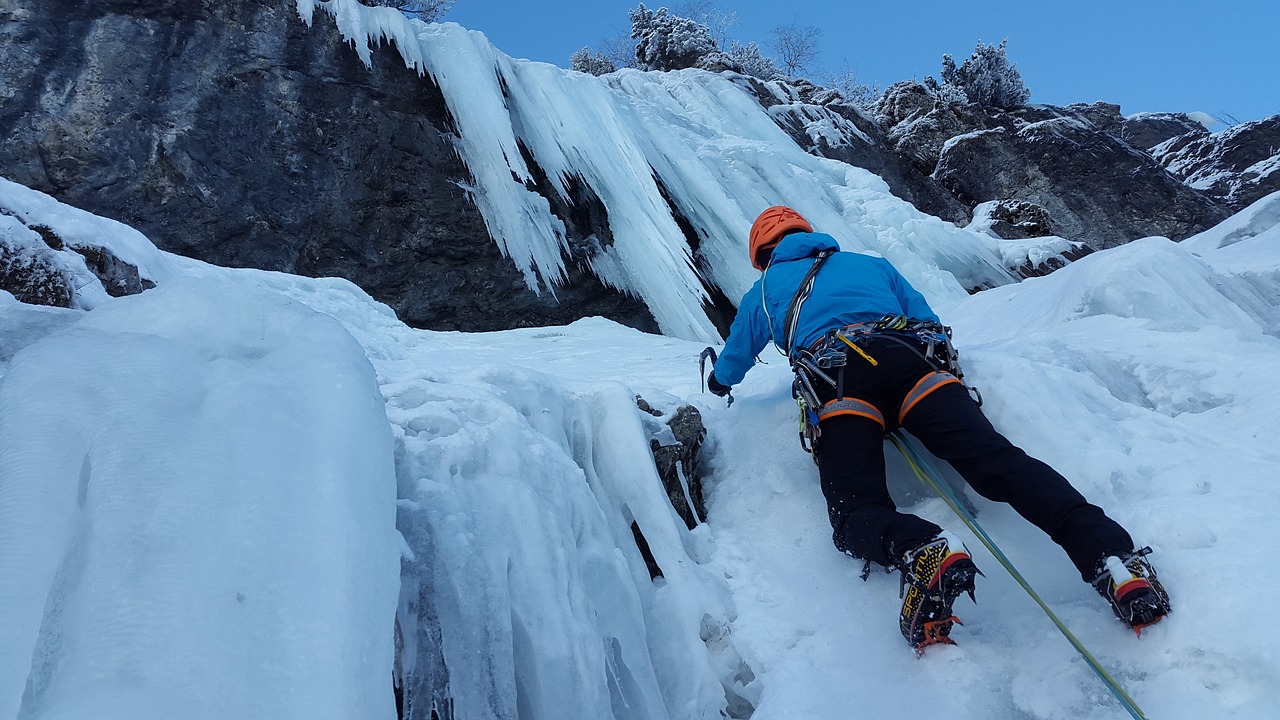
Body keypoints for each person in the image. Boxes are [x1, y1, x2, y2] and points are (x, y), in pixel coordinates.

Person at [706, 206, 1171, 651]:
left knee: (854, 513)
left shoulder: (765, 291)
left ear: (763, 254)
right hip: (915, 366)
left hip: (840, 382)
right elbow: (925, 318)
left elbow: (737, 357)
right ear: (809, 235)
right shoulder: (871, 265)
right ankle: (1114, 559)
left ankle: (920, 548)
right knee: (1001, 464)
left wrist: (717, 380)